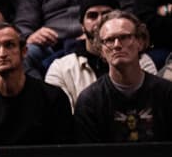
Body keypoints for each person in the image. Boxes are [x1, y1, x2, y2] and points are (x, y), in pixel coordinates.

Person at [0, 23, 74, 146]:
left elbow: (64, 153)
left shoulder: (53, 98)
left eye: (9, 45)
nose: (2, 54)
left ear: (24, 51)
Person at [45, 0, 158, 111]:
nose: (99, 21)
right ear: (82, 26)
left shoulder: (141, 60)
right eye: (92, 16)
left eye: (107, 15)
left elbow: (153, 106)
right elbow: (61, 115)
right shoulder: (61, 68)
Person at [74, 10, 172, 142]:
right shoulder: (90, 101)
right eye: (109, 40)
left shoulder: (167, 93)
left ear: (140, 42)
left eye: (124, 37)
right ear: (101, 50)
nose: (117, 45)